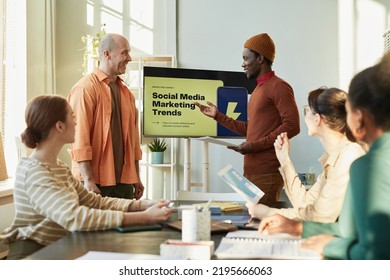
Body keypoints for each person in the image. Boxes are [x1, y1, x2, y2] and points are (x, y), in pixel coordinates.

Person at [0, 95, 173, 260]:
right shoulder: (34, 172)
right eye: (72, 116)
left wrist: (142, 205)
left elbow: (94, 202)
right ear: (59, 126)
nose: (76, 122)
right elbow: (75, 217)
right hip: (33, 254)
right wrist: (145, 217)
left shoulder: (58, 166)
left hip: (55, 247)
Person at [258, 53, 390, 259]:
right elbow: (345, 229)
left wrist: (330, 246)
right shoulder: (340, 159)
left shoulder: (363, 163)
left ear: (359, 117)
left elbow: (376, 253)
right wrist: (297, 228)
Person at [195, 33, 300, 206]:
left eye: (246, 58)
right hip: (251, 172)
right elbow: (251, 130)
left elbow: (293, 126)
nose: (242, 63)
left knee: (262, 226)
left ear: (260, 58)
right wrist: (218, 116)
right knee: (252, 223)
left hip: (267, 173)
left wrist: (254, 146)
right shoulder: (259, 89)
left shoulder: (279, 86)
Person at [246, 87, 366, 222]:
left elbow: (319, 216)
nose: (304, 116)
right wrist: (284, 160)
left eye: (307, 110)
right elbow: (305, 204)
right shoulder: (334, 158)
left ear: (317, 119)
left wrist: (267, 212)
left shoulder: (349, 156)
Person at [67, 33, 143, 199]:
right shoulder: (85, 89)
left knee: (128, 224)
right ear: (106, 54)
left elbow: (133, 143)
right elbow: (79, 138)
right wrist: (87, 179)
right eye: (124, 52)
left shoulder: (127, 94)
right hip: (94, 183)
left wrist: (136, 178)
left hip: (124, 183)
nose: (129, 58)